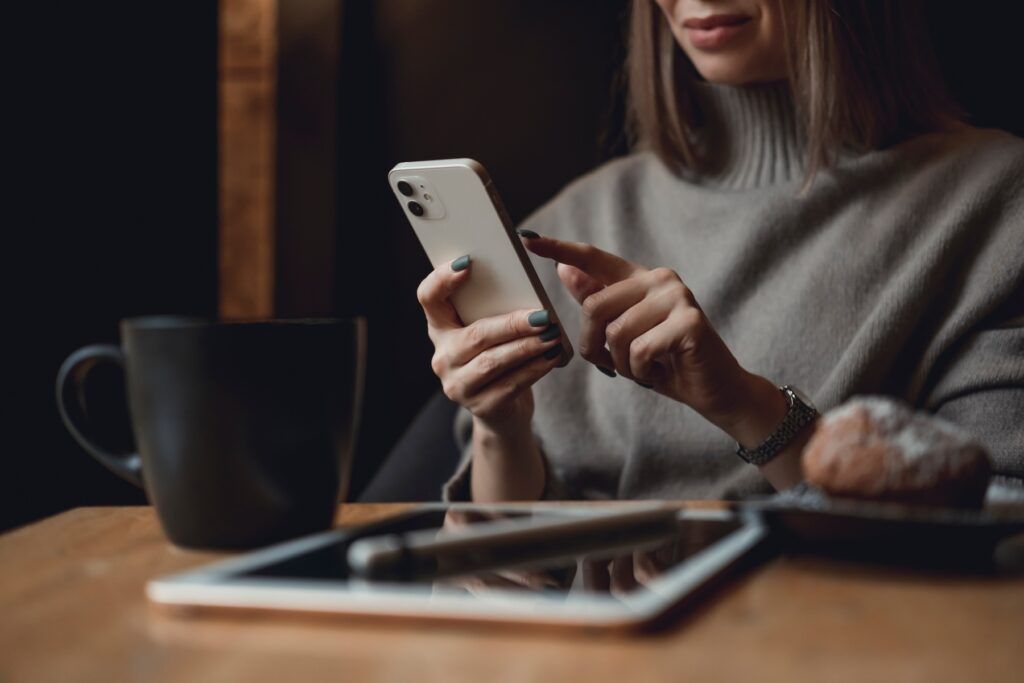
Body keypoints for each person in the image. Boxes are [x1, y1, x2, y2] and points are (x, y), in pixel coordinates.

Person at [414, 0, 1024, 503]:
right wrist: (500, 429)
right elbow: (493, 574)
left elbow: (998, 542)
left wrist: (747, 406)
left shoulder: (994, 201)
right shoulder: (567, 224)